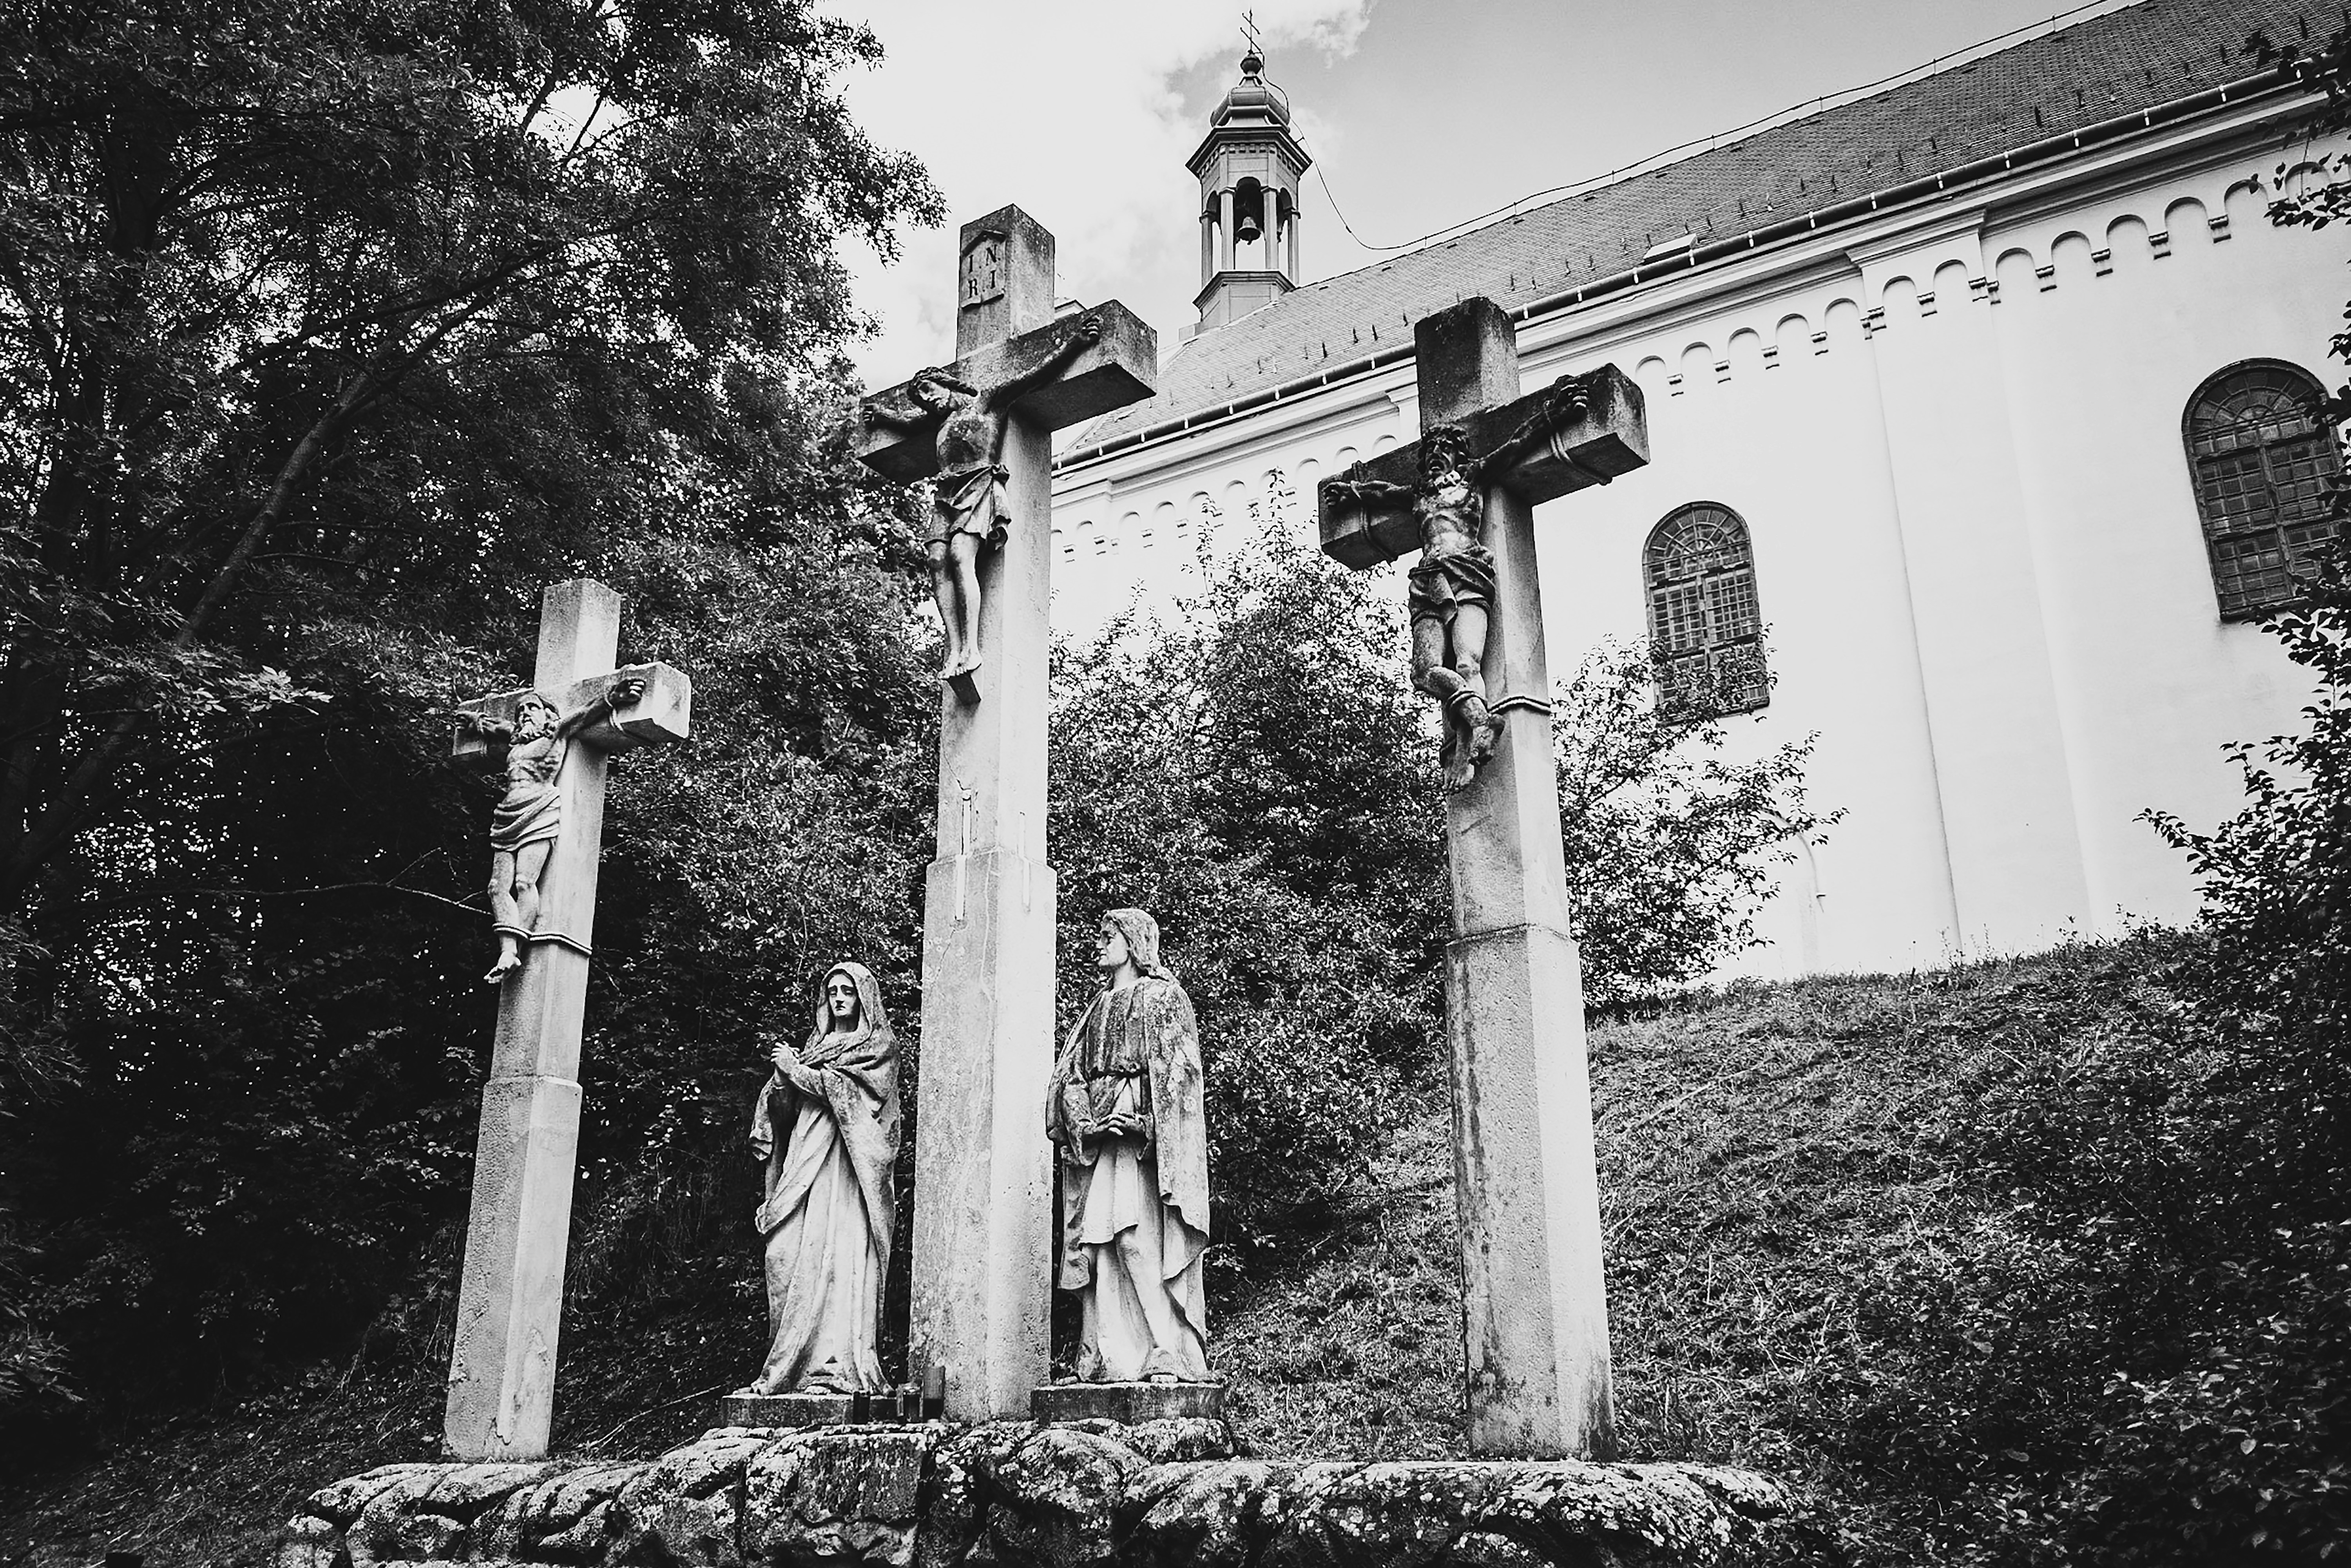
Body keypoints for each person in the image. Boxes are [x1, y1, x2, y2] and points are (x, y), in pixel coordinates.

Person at [1323, 374, 1589, 790]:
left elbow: (1517, 445)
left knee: (1467, 663)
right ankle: (1482, 720)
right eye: (1430, 451)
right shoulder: (1418, 495)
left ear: (1459, 456)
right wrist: (1352, 492)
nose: (1435, 456)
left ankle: (1467, 752)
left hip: (1467, 572)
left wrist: (1552, 417)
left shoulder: (1474, 477)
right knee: (1425, 671)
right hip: (1427, 582)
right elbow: (1380, 492)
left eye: (1444, 449)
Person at [865, 314, 1103, 686]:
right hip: (945, 493)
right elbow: (907, 423)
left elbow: (1034, 375)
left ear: (946, 385)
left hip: (978, 483)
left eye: (928, 393)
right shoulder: (935, 421)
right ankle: (955, 646)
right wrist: (881, 415)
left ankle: (972, 647)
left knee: (962, 555)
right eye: (920, 400)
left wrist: (1074, 343)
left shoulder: (986, 403)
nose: (926, 403)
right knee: (935, 559)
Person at [1045, 909, 1210, 1383]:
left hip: (1141, 1147)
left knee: (1134, 1239)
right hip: (1103, 1139)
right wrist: (1087, 1124)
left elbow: (1182, 1078)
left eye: (1107, 936)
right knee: (1096, 1248)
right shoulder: (1096, 1009)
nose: (1099, 944)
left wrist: (1144, 1123)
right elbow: (1068, 1080)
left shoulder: (1164, 998)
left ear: (1134, 943)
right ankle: (1103, 1357)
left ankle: (1167, 1347)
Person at [737, 962, 902, 1397]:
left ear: (864, 997)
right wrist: (779, 1087)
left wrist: (796, 1071)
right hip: (803, 1163)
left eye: (848, 990)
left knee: (838, 1258)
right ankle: (792, 1364)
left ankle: (836, 1364)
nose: (840, 998)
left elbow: (857, 1100)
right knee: (786, 1254)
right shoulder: (815, 1046)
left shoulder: (877, 1048)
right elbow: (788, 1112)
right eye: (833, 991)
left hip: (846, 1171)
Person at [455, 674, 644, 984]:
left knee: (526, 883)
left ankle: (510, 950)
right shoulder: (517, 739)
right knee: (495, 888)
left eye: (531, 708)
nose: (524, 713)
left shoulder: (556, 733)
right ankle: (508, 948)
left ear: (548, 715)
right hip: (506, 815)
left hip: (539, 809)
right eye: (520, 711)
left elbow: (586, 713)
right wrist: (475, 720)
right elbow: (497, 727)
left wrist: (613, 696)